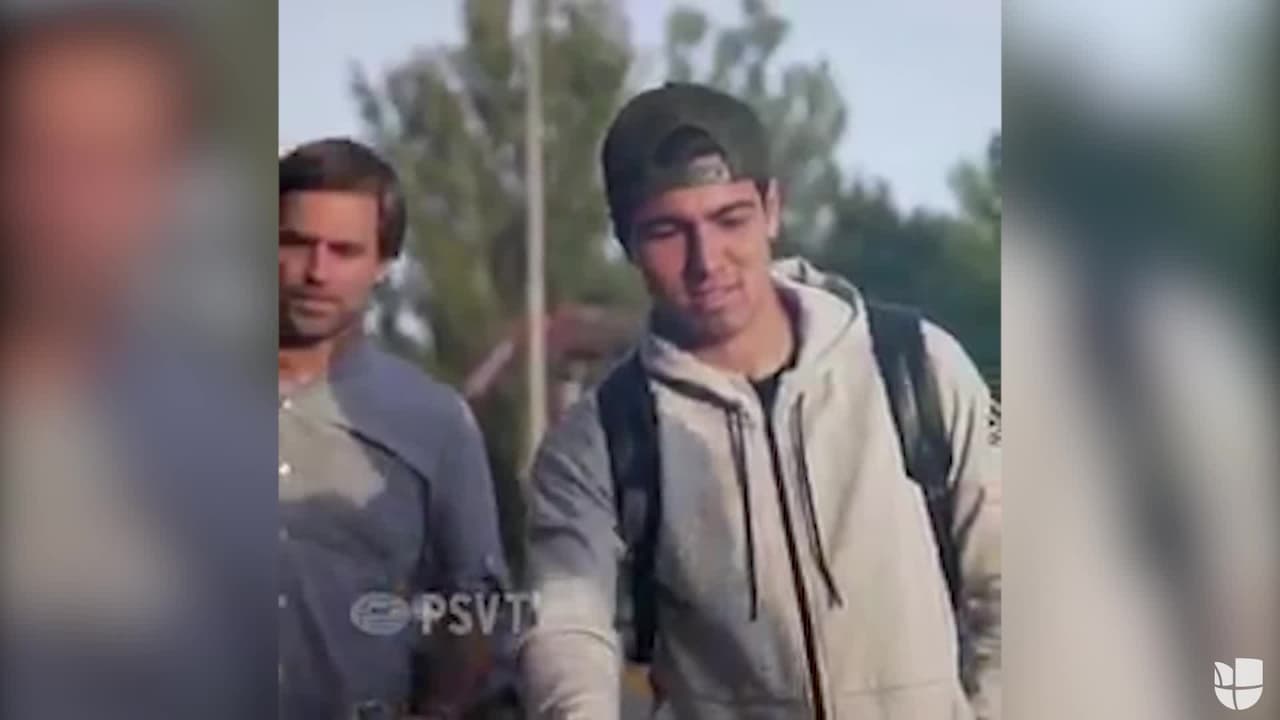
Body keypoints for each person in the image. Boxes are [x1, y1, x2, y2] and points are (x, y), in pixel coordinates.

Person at [519, 83, 1002, 719]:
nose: (707, 261)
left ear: (772, 209)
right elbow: (566, 629)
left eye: (730, 219)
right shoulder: (598, 444)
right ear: (627, 242)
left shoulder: (918, 366)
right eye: (668, 231)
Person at [277, 138, 510, 719]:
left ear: (382, 265)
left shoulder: (434, 423)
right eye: (296, 243)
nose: (316, 272)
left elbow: (473, 609)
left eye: (344, 251)